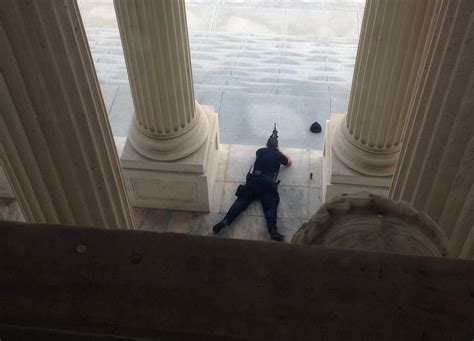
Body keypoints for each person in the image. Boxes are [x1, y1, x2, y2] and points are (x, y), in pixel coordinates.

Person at [212, 136, 292, 241]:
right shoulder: (278, 155)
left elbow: (262, 153)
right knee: (270, 207)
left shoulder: (260, 151)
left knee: (241, 201)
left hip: (254, 181)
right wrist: (279, 151)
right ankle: (273, 231)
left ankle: (226, 221)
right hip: (267, 185)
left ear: (267, 145)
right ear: (277, 146)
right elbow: (289, 162)